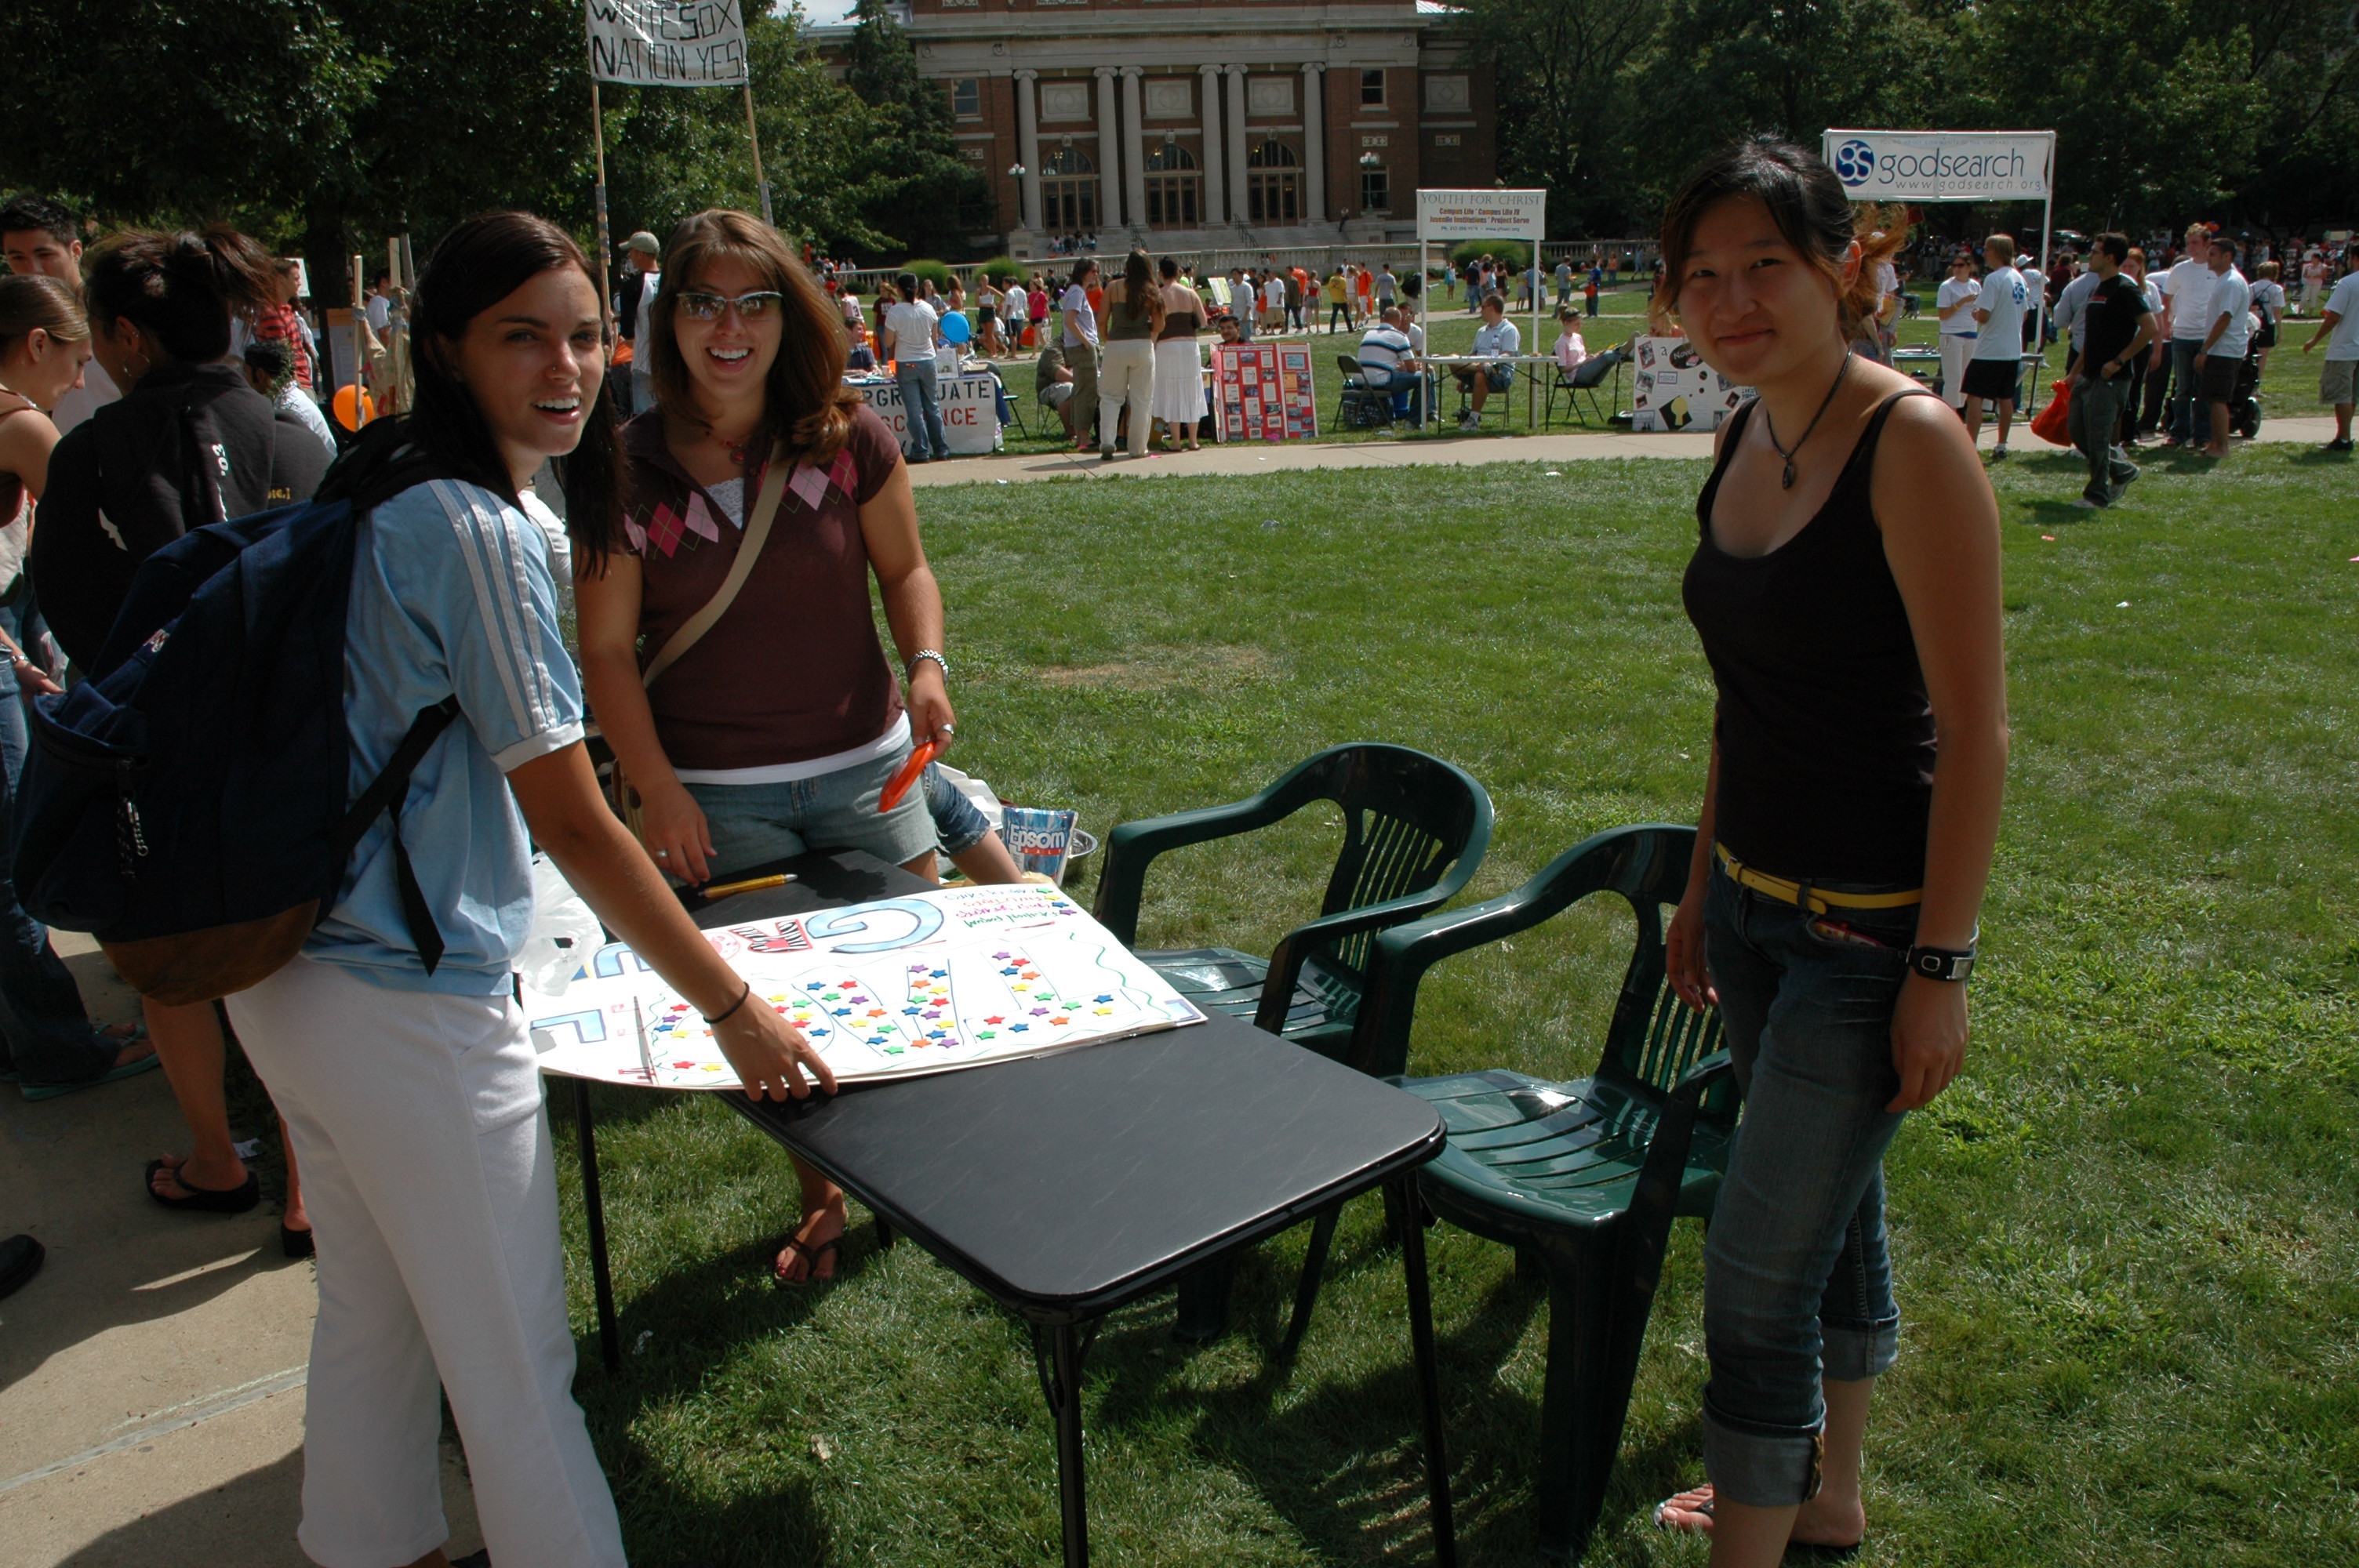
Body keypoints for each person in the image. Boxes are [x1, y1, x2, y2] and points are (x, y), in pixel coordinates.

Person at [227, 209, 831, 1568]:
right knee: (514, 1375)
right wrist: (731, 1009)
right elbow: (574, 819)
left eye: (583, 337)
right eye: (522, 339)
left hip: (295, 974)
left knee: (375, 1313)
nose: (565, 369)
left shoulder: (387, 470)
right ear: (445, 348)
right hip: (403, 997)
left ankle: (369, 1545)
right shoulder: (476, 527)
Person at [1649, 138, 2006, 1568]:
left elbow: (1975, 733)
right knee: (1827, 1222)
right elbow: (1743, 703)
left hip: (1866, 937)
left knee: (1752, 1278)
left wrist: (1940, 968)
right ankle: (1828, 1496)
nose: (1729, 301)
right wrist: (1700, 886)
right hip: (1750, 914)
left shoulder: (1909, 442)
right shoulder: (1741, 430)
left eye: (1764, 266)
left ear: (1841, 269)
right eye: (1700, 276)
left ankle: (1756, 1539)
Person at [578, 209, 952, 1285]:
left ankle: (927, 1175)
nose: (729, 328)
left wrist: (927, 665)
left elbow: (905, 571)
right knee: (781, 1019)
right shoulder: (623, 468)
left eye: (754, 303)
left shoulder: (850, 436)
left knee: (917, 982)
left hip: (872, 773)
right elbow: (604, 651)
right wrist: (656, 786)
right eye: (703, 303)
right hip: (715, 800)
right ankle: (823, 1194)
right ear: (670, 320)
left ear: (790, 317)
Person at [31, 227, 332, 1242]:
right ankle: (306, 1187)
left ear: (126, 334)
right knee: (297, 956)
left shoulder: (90, 455)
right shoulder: (292, 432)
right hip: (289, 745)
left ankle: (215, 1158)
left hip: (150, 762)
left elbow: (80, 616)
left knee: (167, 958)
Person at [0, 274, 155, 1099]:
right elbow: (88, 536)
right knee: (10, 860)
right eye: (71, 358)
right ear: (36, 344)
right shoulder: (22, 423)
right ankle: (58, 1050)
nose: (78, 377)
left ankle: (24, 1035)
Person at [1, 194, 119, 434]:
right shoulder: (11, 323)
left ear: (75, 250)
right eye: (18, 257)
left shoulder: (117, 318)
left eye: (45, 255)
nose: (33, 269)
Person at [2064, 234, 2154, 509]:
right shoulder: (2098, 289)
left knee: (2099, 437)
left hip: (2111, 379)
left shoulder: (2125, 289)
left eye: (2094, 252)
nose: (2089, 257)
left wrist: (2119, 361)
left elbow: (2150, 328)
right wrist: (2074, 372)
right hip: (2088, 374)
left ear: (2110, 258)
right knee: (2077, 432)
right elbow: (2092, 339)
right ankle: (2123, 471)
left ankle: (2097, 496)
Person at [1961, 234, 2027, 456]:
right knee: (2005, 398)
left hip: (1990, 349)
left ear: (1997, 252)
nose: (1985, 254)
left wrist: (1976, 313)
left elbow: (1984, 315)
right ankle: (2002, 445)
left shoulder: (1994, 279)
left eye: (1987, 250)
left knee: (1974, 396)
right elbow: (2025, 313)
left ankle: (1971, 445)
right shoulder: (2018, 278)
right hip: (2012, 349)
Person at [1096, 250, 1163, 462]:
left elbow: (1102, 320)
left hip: (1116, 345)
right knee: (1142, 399)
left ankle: (1107, 441)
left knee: (1110, 396)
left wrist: (1108, 338)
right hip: (1142, 345)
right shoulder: (1152, 291)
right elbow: (1160, 325)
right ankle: (1137, 447)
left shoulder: (1113, 287)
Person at [881, 270, 951, 464]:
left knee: (914, 410)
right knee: (932, 406)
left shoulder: (895, 312)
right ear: (918, 288)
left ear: (898, 290)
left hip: (906, 361)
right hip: (928, 360)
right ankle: (941, 448)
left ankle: (921, 450)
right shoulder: (928, 309)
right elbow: (935, 339)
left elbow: (888, 342)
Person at [2194, 238, 2251, 459]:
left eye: (2213, 254)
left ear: (2227, 256)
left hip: (2224, 350)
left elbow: (2225, 317)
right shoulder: (2224, 280)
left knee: (2218, 399)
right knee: (2212, 398)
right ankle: (2215, 443)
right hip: (2220, 349)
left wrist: (2204, 350)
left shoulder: (2231, 283)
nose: (2208, 259)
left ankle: (2221, 448)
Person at [2158, 227, 2213, 447]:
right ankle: (2178, 433)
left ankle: (2203, 435)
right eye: (2188, 243)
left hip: (2206, 335)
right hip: (2182, 334)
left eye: (2195, 242)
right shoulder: (2180, 270)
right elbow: (2167, 298)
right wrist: (2166, 324)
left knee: (2203, 389)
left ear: (2207, 244)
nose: (2191, 247)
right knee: (2182, 388)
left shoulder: (2216, 269)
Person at [2299, 255, 2358, 450]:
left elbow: (2333, 316)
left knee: (2342, 395)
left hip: (2346, 347)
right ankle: (2343, 436)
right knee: (2353, 395)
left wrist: (2315, 339)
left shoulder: (2348, 283)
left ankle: (2344, 439)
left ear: (2355, 258)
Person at [242, 339, 338, 458]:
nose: (245, 379)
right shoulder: (283, 399)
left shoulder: (290, 408)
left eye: (246, 373)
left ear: (261, 375)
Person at [1150, 255, 1206, 452]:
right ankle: (1193, 441)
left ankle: (1176, 441)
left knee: (1171, 391)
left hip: (1167, 346)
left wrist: (1151, 346)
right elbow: (1203, 321)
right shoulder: (1190, 293)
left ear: (1161, 273)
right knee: (1192, 390)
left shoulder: (1158, 295)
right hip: (1189, 345)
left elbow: (1156, 327)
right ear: (1177, 272)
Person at [1452, 292, 1519, 428]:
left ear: (1492, 308)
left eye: (1482, 307)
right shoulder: (1481, 331)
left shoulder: (1509, 330)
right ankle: (1479, 368)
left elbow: (1509, 354)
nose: (1480, 310)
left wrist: (1491, 362)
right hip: (1477, 368)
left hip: (1499, 373)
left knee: (1480, 375)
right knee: (1452, 359)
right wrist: (1466, 374)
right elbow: (1473, 354)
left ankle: (1473, 420)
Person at [616, 230, 662, 417]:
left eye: (632, 252)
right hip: (673, 363)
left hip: (645, 365)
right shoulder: (672, 281)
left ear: (640, 254)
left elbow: (629, 337)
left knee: (646, 422)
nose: (630, 256)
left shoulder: (632, 287)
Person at [1059, 259, 1101, 452]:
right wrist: (1086, 341)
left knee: (1080, 390)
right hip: (1082, 348)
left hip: (1077, 347)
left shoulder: (1075, 291)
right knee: (1087, 392)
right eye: (1093, 271)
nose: (1096, 275)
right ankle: (1084, 435)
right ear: (1083, 272)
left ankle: (1080, 433)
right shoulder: (1077, 292)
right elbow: (1070, 320)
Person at [1357, 307, 1423, 426]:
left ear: (1383, 319)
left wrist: (1398, 367)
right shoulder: (1399, 337)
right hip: (1380, 381)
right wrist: (1414, 367)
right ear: (1399, 321)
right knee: (1424, 378)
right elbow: (1412, 369)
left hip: (1359, 381)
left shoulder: (1369, 334)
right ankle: (1413, 420)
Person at [1933, 251, 1979, 412]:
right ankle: (1950, 413)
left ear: (1969, 267)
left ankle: (1961, 411)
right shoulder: (1947, 287)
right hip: (1952, 335)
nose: (1957, 269)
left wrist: (1978, 312)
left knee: (1966, 378)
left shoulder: (1975, 285)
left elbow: (1980, 308)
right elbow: (1943, 315)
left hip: (1971, 334)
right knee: (1954, 378)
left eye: (1961, 265)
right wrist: (1962, 301)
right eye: (1954, 265)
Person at [1036, 337, 1078, 441]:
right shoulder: (1053, 347)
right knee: (1067, 389)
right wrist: (1082, 382)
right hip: (1051, 386)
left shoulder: (1089, 343)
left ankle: (1107, 434)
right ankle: (1071, 433)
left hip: (1082, 385)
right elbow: (1057, 372)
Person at [2249, 260, 2284, 378]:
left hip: (2252, 322)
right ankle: (2257, 382)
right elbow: (2277, 312)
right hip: (2267, 325)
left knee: (2248, 355)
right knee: (2262, 358)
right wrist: (2280, 332)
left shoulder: (2251, 287)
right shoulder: (2276, 289)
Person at [1326, 268, 1353, 333]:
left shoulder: (1332, 279)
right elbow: (1344, 291)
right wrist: (1347, 300)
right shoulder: (1343, 280)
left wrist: (1332, 294)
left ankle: (1332, 330)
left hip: (1334, 300)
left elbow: (1329, 288)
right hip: (1342, 300)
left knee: (1334, 316)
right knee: (1346, 315)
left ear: (1336, 272)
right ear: (1342, 272)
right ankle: (1350, 329)